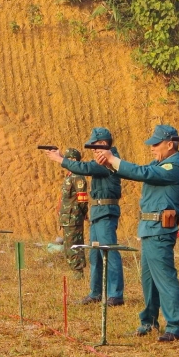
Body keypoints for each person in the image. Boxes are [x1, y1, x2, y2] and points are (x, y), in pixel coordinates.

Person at [94, 124, 179, 342]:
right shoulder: (160, 164)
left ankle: (175, 327)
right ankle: (149, 321)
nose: (152, 148)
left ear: (170, 144)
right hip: (150, 229)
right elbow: (139, 171)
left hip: (159, 230)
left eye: (156, 144)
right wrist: (110, 163)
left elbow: (142, 172)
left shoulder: (175, 167)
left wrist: (113, 159)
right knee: (149, 281)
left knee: (164, 279)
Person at [46, 127, 125, 306]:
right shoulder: (103, 159)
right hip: (98, 211)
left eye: (95, 146)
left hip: (106, 211)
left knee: (109, 251)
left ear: (104, 144)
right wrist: (62, 157)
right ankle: (96, 292)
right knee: (95, 255)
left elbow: (85, 168)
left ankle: (115, 294)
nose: (93, 150)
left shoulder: (109, 160)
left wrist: (60, 159)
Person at [57, 148, 88, 275]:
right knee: (68, 247)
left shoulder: (78, 177)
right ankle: (74, 271)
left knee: (74, 246)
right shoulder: (69, 176)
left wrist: (83, 213)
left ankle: (78, 273)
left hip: (74, 218)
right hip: (67, 218)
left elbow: (82, 199)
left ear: (74, 160)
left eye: (68, 158)